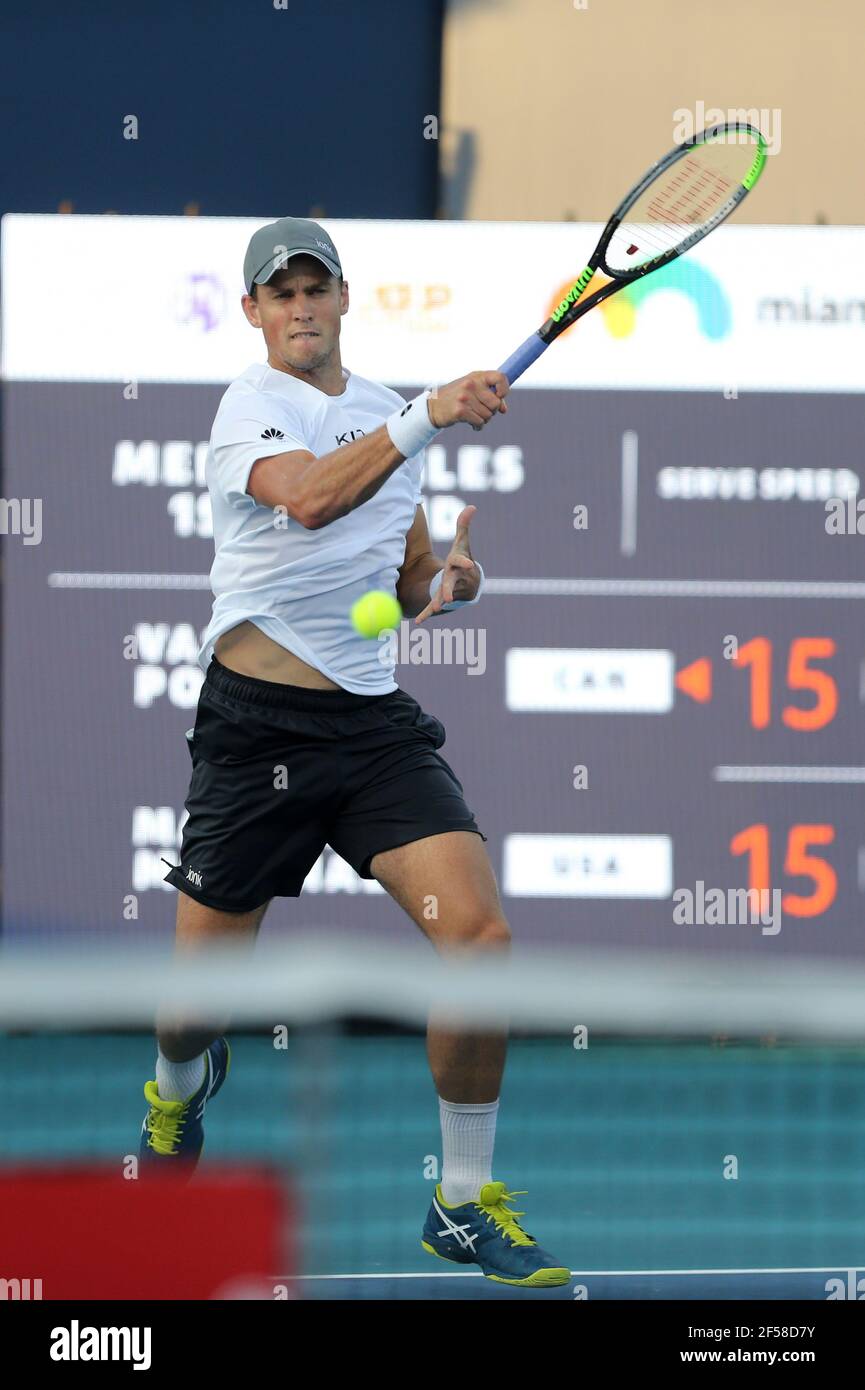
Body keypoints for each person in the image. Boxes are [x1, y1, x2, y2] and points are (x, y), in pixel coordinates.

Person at [139, 216, 568, 1287]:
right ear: (252, 313)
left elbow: (404, 570)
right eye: (276, 293)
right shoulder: (253, 409)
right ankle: (173, 1095)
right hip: (253, 731)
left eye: (312, 289)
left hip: (370, 730)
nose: (297, 308)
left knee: (480, 940)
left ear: (340, 300)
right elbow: (311, 499)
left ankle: (462, 1202)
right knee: (193, 1010)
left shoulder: (384, 414)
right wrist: (429, 412)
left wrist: (446, 582)